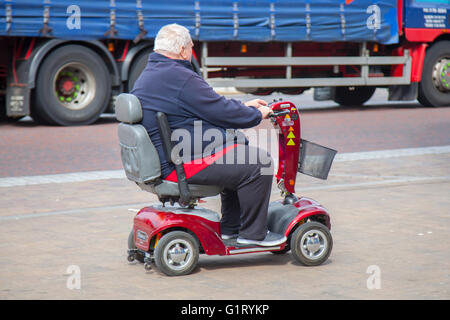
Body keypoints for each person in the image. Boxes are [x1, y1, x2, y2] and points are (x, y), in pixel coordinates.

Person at [131, 24, 286, 247]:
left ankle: (231, 230)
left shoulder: (151, 73)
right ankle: (253, 235)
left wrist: (243, 107)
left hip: (168, 154)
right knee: (257, 163)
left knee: (236, 147)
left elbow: (208, 105)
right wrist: (255, 114)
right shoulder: (180, 76)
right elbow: (218, 109)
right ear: (183, 50)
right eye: (192, 48)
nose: (192, 53)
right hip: (178, 165)